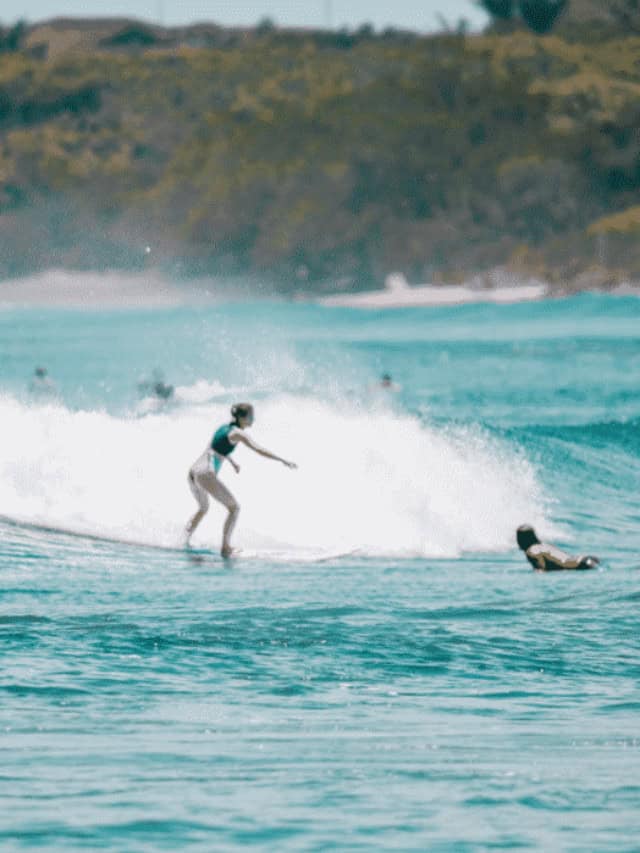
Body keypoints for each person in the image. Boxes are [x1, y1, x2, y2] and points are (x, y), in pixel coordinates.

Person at [185, 402, 297, 557]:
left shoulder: (223, 428)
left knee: (203, 508)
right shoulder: (238, 433)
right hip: (205, 474)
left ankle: (182, 539)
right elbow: (258, 449)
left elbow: (215, 448)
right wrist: (281, 459)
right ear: (242, 418)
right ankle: (225, 548)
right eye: (251, 416)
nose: (253, 419)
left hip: (193, 472)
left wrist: (232, 462)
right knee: (234, 508)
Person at [516, 525, 600, 571]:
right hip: (587, 559)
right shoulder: (544, 545)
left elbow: (541, 570)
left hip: (581, 565)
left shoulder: (531, 551)